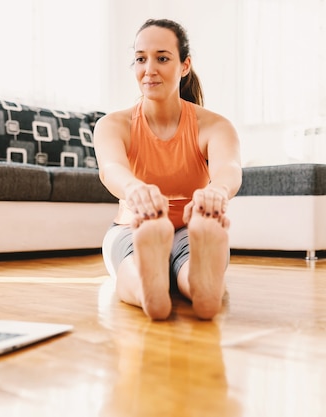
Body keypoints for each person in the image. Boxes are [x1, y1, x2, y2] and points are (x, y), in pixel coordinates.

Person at [93, 18, 242, 320]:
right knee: (137, 258)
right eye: (140, 59)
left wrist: (217, 191)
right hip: (133, 225)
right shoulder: (113, 125)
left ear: (185, 65)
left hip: (191, 226)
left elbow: (229, 169)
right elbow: (111, 169)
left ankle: (198, 286)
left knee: (172, 261)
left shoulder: (214, 126)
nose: (149, 69)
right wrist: (134, 189)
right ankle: (160, 286)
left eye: (162, 58)